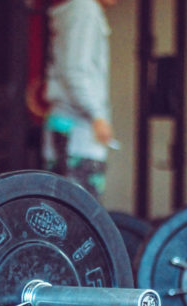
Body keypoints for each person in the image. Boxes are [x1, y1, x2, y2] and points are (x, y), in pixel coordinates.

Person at [43, 0, 120, 198]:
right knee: (78, 215)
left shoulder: (78, 9)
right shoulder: (84, 8)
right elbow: (75, 71)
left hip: (70, 130)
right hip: (76, 133)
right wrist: (98, 115)